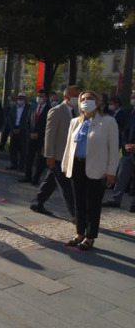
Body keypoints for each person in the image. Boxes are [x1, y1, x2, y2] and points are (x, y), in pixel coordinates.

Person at [62, 90, 119, 251]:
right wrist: (66, 166)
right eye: (83, 99)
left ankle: (90, 236)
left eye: (90, 98)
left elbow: (114, 149)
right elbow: (69, 146)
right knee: (78, 203)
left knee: (93, 204)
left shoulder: (108, 122)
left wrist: (111, 171)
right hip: (77, 166)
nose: (86, 101)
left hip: (97, 168)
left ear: (98, 101)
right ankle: (79, 233)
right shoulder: (75, 122)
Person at [30, 86, 80, 217]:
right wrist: (49, 155)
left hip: (70, 154)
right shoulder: (56, 111)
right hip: (57, 155)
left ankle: (37, 202)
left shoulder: (77, 111)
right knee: (66, 186)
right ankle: (76, 216)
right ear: (66, 96)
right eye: (75, 95)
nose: (77, 98)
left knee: (51, 181)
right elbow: (49, 135)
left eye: (78, 95)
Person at [103, 91, 135, 212]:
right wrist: (125, 144)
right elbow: (125, 131)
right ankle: (115, 199)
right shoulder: (130, 112)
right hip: (127, 151)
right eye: (132, 97)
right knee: (121, 176)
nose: (132, 99)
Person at [20, 90, 50, 185]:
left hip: (42, 139)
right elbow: (27, 122)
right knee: (29, 157)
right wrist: (30, 133)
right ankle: (27, 176)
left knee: (40, 160)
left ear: (46, 98)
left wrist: (39, 134)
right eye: (38, 95)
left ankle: (36, 178)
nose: (39, 98)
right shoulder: (33, 108)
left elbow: (49, 126)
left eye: (42, 96)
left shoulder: (50, 110)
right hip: (31, 137)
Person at [6, 93, 29, 170]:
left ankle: (21, 166)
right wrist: (12, 129)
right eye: (19, 98)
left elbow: (28, 121)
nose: (20, 100)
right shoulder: (13, 107)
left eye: (22, 99)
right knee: (13, 148)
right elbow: (10, 119)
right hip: (14, 129)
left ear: (25, 100)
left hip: (23, 131)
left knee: (23, 149)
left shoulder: (28, 108)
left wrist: (20, 129)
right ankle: (13, 164)